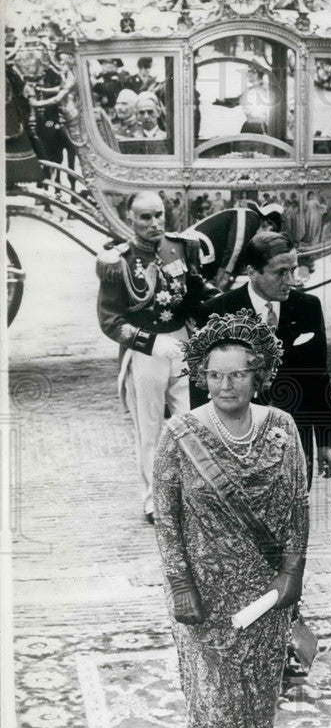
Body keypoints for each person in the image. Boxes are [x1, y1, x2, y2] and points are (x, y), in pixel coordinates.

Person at [153, 310, 309, 728]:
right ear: (201, 374)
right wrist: (180, 584)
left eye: (238, 373)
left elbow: (299, 507)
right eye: (215, 374)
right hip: (203, 587)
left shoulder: (283, 427)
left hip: (264, 590)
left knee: (258, 691)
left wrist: (292, 575)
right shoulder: (180, 433)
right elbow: (167, 518)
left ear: (257, 374)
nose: (226, 385)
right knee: (216, 691)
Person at [190, 231, 331, 487]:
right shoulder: (217, 312)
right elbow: (201, 383)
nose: (290, 280)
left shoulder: (308, 307)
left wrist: (327, 442)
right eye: (280, 272)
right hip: (236, 438)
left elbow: (319, 378)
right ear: (252, 272)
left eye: (293, 269)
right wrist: (202, 445)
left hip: (295, 437)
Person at [96, 191, 208, 522]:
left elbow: (197, 293)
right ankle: (154, 498)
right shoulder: (119, 261)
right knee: (150, 428)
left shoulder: (181, 247)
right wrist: (151, 343)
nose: (154, 223)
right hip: (145, 351)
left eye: (158, 215)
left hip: (182, 344)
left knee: (191, 421)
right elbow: (110, 321)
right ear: (129, 219)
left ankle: (191, 495)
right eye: (145, 217)